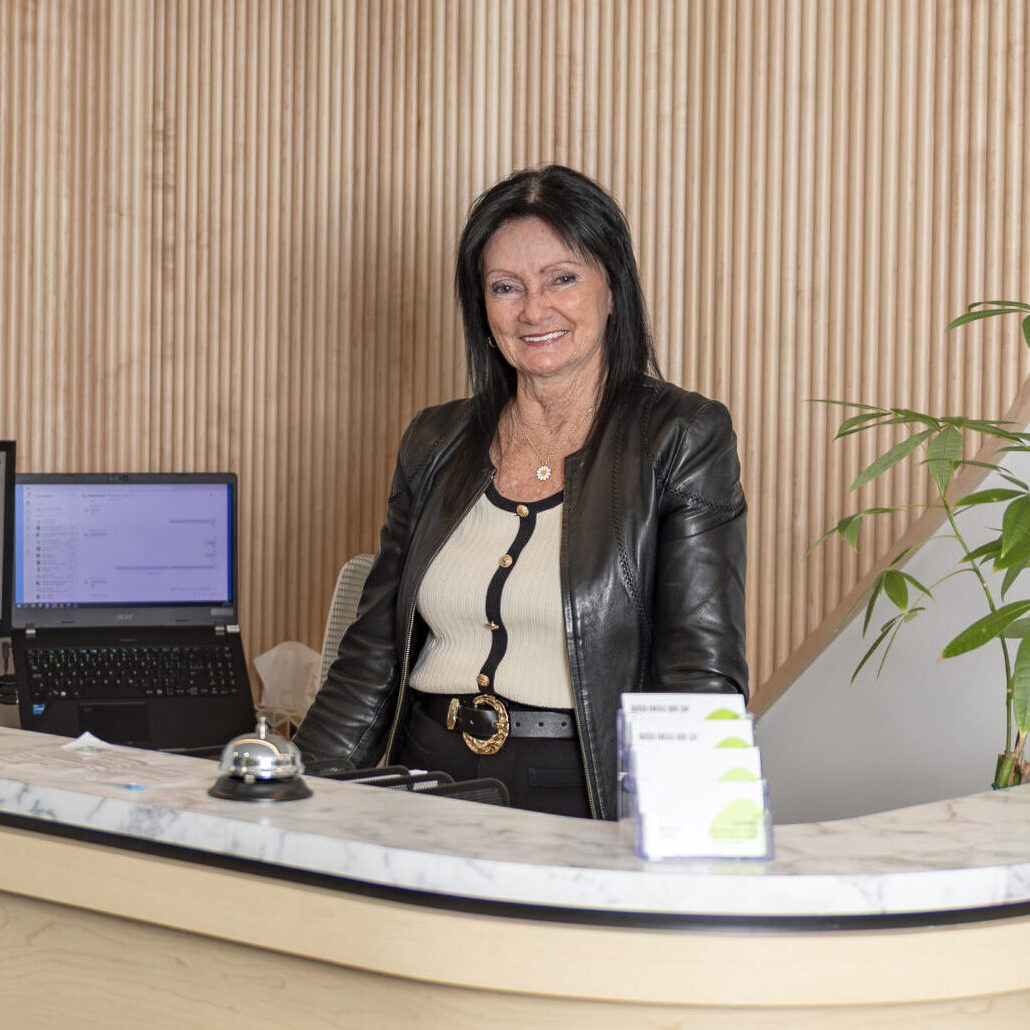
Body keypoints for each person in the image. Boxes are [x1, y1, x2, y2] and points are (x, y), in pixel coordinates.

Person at [294, 165, 747, 820]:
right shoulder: (435, 441)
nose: (534, 310)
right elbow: (371, 656)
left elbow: (700, 672)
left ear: (612, 288)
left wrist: (691, 835)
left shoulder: (681, 436)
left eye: (562, 278)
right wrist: (291, 799)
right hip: (421, 776)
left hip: (579, 791)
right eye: (506, 287)